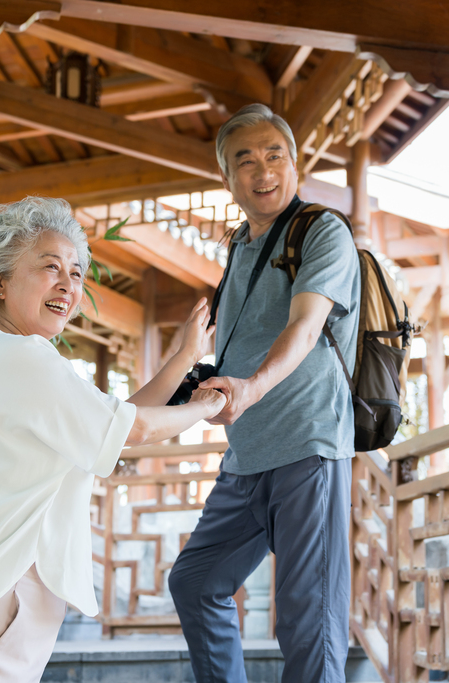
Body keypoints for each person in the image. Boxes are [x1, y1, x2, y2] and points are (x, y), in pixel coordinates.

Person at [0, 196, 226, 683]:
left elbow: (116, 424)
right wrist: (212, 406)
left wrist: (182, 358)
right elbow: (134, 430)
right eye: (50, 266)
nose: (67, 284)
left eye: (76, 273)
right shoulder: (21, 357)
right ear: (1, 281)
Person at [168, 104, 360, 682]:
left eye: (273, 154)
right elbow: (243, 342)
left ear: (295, 164)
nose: (261, 169)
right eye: (243, 160)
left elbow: (304, 327)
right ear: (228, 179)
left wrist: (250, 387)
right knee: (196, 582)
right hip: (247, 455)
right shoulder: (238, 245)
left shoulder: (322, 231)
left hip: (307, 445)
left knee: (308, 621)